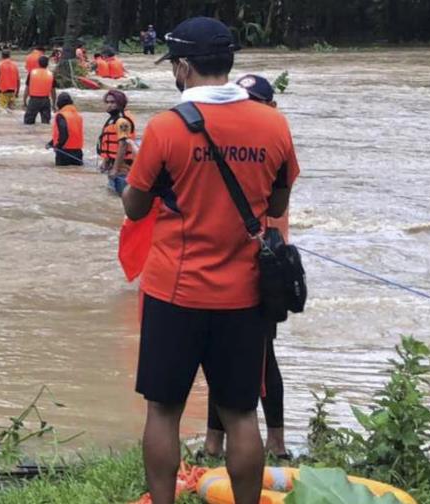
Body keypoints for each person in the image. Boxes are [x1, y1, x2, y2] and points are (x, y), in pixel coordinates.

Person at [121, 16, 300, 504]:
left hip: (173, 292)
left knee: (163, 410)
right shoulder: (273, 124)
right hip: (244, 295)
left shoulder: (164, 129)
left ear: (182, 67)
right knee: (242, 413)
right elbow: (277, 206)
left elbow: (133, 207)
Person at [203, 73, 288, 460]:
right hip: (225, 259)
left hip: (263, 262)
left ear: (269, 106)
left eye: (254, 101)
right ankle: (212, 441)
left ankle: (276, 441)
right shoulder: (245, 135)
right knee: (216, 354)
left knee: (263, 355)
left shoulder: (274, 136)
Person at [97, 89, 136, 195]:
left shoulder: (122, 122)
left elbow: (123, 145)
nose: (109, 105)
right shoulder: (111, 121)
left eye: (113, 102)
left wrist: (115, 169)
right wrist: (105, 161)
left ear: (120, 104)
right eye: (107, 102)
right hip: (113, 167)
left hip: (123, 170)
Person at [46, 92, 84, 166]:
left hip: (64, 152)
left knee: (62, 174)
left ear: (59, 103)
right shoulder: (78, 115)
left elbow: (64, 135)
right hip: (78, 152)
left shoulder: (61, 115)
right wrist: (51, 143)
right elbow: (71, 132)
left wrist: (57, 147)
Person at [23, 55, 56, 125]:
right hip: (46, 101)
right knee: (46, 123)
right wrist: (53, 104)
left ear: (38, 63)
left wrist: (24, 101)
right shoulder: (51, 74)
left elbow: (27, 89)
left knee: (28, 122)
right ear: (47, 64)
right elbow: (53, 91)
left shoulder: (31, 73)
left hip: (33, 100)